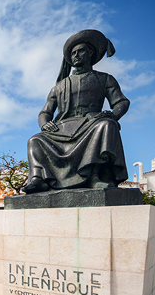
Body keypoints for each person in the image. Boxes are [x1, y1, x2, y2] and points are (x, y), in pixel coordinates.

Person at [22, 30, 130, 194]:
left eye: (80, 51)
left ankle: (94, 177)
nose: (76, 56)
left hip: (91, 124)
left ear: (90, 52)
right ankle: (38, 179)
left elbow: (121, 102)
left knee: (107, 125)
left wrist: (113, 114)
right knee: (35, 140)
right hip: (62, 129)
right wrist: (45, 125)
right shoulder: (59, 86)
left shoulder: (105, 79)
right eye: (73, 53)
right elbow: (45, 112)